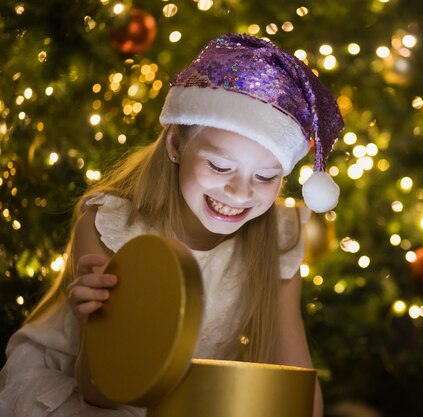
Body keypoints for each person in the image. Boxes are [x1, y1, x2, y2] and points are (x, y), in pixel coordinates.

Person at [0, 33, 344, 416]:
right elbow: (105, 390)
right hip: (90, 392)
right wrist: (98, 321)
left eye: (265, 177)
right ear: (176, 145)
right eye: (219, 166)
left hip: (178, 398)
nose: (239, 192)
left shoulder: (278, 237)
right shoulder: (111, 224)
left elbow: (296, 384)